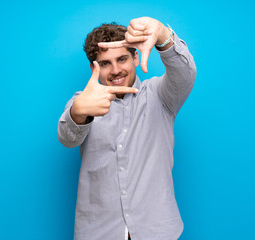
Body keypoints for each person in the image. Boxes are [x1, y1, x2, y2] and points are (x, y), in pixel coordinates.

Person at [58, 16, 196, 240]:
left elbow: (185, 75)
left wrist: (163, 36)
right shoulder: (84, 101)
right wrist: (78, 112)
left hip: (157, 230)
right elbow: (67, 138)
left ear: (135, 57)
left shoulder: (161, 95)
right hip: (99, 232)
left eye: (122, 59)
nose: (115, 70)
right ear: (95, 68)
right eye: (105, 63)